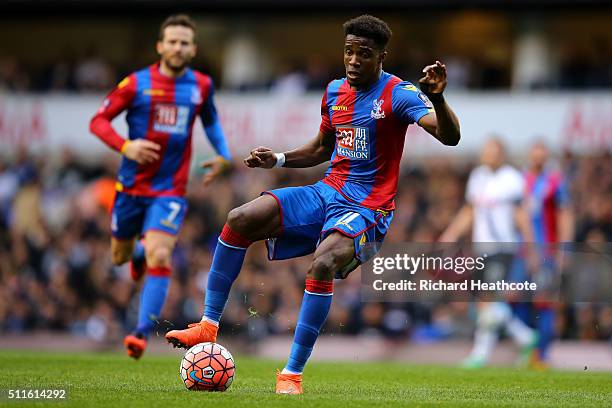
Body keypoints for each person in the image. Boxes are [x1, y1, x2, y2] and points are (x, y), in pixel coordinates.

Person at [166, 14, 460, 394]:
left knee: (322, 263)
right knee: (240, 218)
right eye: (349, 52)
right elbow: (322, 148)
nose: (353, 60)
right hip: (327, 192)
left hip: (369, 209)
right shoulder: (335, 91)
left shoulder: (398, 95)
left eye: (364, 54)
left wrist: (436, 96)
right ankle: (207, 325)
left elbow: (449, 137)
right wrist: (280, 160)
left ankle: (291, 374)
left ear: (381, 57)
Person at [89, 14, 232, 359]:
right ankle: (136, 252)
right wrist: (127, 146)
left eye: (184, 42)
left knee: (162, 254)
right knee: (119, 256)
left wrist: (223, 154)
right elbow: (98, 121)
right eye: (172, 41)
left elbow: (210, 120)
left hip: (170, 189)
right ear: (160, 46)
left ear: (193, 49)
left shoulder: (200, 86)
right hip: (131, 188)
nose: (178, 47)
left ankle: (139, 333)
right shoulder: (136, 84)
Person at [440, 138, 537, 368]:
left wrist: (530, 246)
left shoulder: (512, 179)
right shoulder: (478, 177)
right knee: (488, 303)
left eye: (492, 151)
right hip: (482, 248)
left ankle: (480, 354)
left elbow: (521, 215)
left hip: (503, 247)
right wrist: (451, 233)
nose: (487, 155)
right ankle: (525, 336)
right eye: (485, 151)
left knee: (487, 300)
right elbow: (470, 210)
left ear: (501, 154)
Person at [517, 141, 574, 368]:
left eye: (542, 154)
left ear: (546, 156)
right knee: (513, 297)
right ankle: (526, 345)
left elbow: (565, 214)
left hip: (546, 252)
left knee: (544, 301)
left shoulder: (554, 181)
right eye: (535, 153)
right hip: (521, 251)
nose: (538, 157)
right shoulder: (520, 180)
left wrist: (564, 248)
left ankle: (542, 354)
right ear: (530, 155)